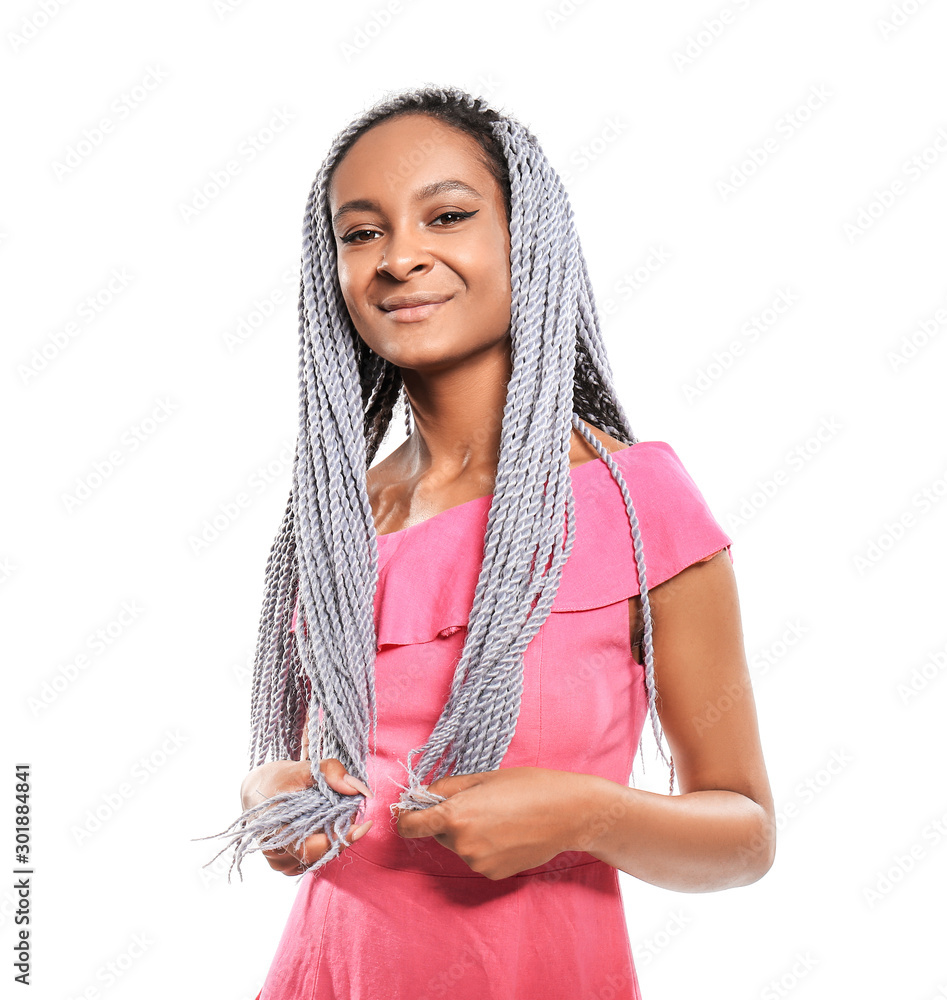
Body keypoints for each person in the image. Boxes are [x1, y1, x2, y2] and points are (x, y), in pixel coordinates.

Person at [201, 85, 776, 999]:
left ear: (525, 240)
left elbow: (745, 837)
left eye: (449, 215)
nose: (399, 258)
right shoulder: (340, 519)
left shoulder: (634, 502)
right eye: (361, 232)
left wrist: (587, 813)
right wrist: (269, 794)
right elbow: (335, 771)